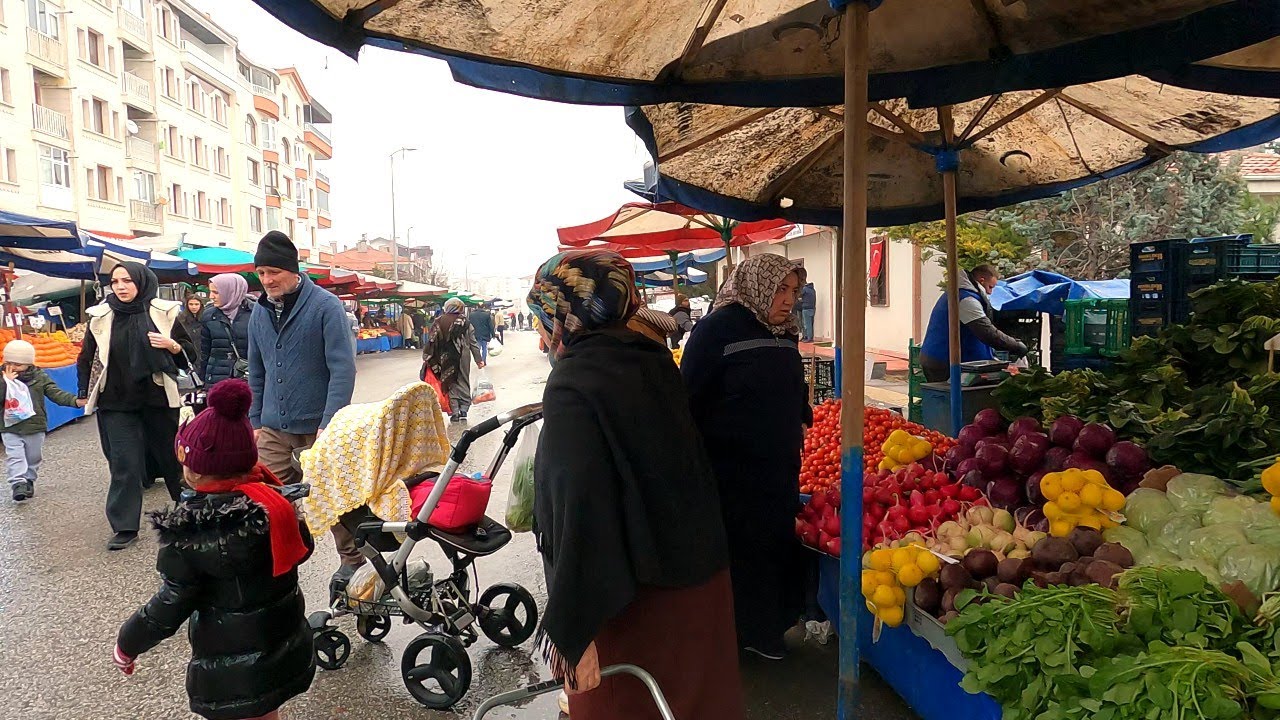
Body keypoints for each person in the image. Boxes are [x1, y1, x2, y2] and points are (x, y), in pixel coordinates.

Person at [527, 250, 743, 720]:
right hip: (700, 583)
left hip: (632, 602)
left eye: (541, 319)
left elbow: (580, 506)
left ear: (562, 317)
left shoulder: (573, 383)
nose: (542, 334)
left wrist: (576, 634)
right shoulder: (652, 360)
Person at [113, 379, 315, 720]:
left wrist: (127, 642)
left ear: (193, 470)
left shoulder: (193, 531)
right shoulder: (275, 503)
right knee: (265, 709)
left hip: (232, 664)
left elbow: (169, 604)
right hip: (280, 643)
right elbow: (303, 548)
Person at [681, 254, 812, 660]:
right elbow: (687, 397)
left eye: (793, 291)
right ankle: (746, 636)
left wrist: (803, 416)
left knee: (777, 543)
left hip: (781, 465)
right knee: (745, 551)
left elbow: (792, 385)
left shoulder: (785, 331)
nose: (788, 300)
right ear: (757, 286)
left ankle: (770, 626)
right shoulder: (716, 330)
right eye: (780, 290)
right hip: (732, 471)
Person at [246, 231, 358, 588]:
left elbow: (343, 368)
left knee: (334, 497)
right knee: (268, 498)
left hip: (318, 426)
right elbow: (257, 369)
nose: (266, 280)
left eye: (273, 272)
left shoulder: (326, 306)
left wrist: (331, 421)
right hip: (274, 426)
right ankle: (277, 562)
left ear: (292, 270)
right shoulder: (259, 313)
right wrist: (254, 421)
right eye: (261, 273)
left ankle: (354, 561)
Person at [78, 263, 195, 550]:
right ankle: (125, 526)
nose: (120, 286)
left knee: (172, 459)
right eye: (115, 281)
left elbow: (190, 354)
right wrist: (83, 391)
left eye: (127, 280)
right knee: (124, 462)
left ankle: (190, 513)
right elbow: (87, 357)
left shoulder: (163, 313)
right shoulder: (101, 316)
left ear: (141, 283)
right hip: (116, 402)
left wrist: (172, 346)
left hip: (157, 398)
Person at [1, 340, 85, 502]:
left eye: (18, 364)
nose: (13, 368)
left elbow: (55, 393)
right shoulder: (3, 378)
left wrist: (75, 401)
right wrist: (6, 383)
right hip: (9, 426)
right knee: (15, 455)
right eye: (9, 363)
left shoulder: (39, 377)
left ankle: (29, 479)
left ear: (28, 364)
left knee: (33, 456)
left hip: (34, 425)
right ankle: (18, 483)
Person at [919, 264, 1028, 383]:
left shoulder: (960, 294)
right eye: (990, 287)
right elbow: (986, 332)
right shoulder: (966, 300)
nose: (990, 292)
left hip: (942, 357)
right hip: (943, 360)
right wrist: (1015, 346)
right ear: (981, 281)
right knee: (952, 398)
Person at [423, 298, 484, 423]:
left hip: (445, 357)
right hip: (463, 356)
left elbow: (432, 341)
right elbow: (473, 343)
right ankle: (464, 410)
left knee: (449, 381)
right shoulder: (465, 322)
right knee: (463, 380)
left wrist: (429, 357)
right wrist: (479, 359)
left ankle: (455, 411)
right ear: (460, 307)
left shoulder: (438, 321)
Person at [200, 273, 252, 387]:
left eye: (216, 292)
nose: (211, 296)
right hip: (215, 380)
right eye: (210, 292)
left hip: (246, 379)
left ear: (231, 292)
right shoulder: (209, 315)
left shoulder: (255, 313)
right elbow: (204, 352)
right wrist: (202, 380)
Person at [179, 293, 206, 374]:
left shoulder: (206, 318)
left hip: (203, 353)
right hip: (188, 354)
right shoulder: (181, 319)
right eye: (191, 304)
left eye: (196, 304)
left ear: (201, 305)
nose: (194, 307)